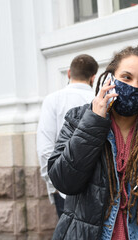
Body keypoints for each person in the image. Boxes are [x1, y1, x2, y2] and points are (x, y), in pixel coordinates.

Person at [48, 45, 138, 239]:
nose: (134, 86)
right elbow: (64, 181)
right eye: (126, 77)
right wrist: (94, 122)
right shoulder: (78, 119)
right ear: (110, 78)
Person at [37, 54, 99, 218]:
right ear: (93, 77)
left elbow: (45, 149)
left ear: (69, 73)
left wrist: (54, 185)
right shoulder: (98, 100)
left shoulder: (52, 100)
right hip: (95, 190)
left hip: (62, 188)